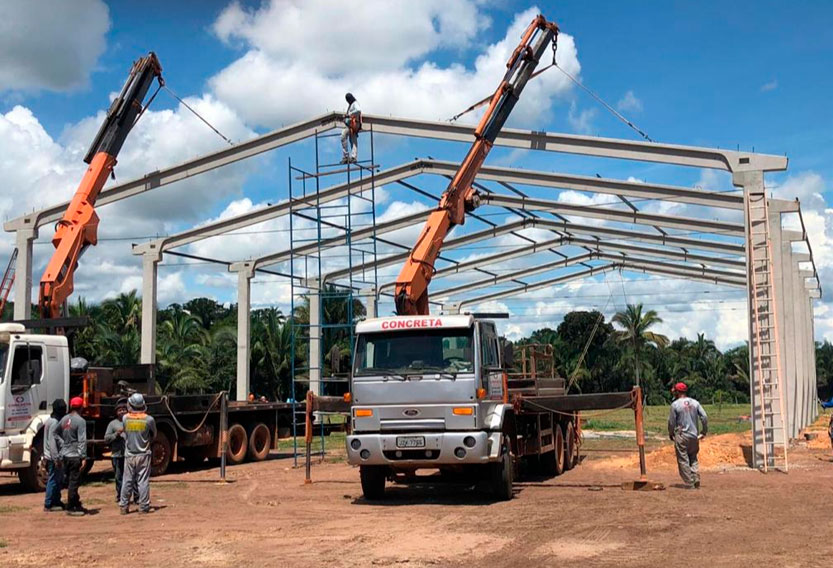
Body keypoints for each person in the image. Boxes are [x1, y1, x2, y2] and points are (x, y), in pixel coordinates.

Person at [119, 393, 157, 515]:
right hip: (144, 454)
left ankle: (124, 506)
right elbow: (154, 435)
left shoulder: (125, 418)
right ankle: (143, 506)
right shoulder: (149, 419)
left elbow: (125, 432)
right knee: (143, 481)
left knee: (127, 480)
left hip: (129, 454)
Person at [667, 382, 708, 489]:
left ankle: (690, 482)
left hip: (682, 435)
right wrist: (704, 431)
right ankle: (695, 477)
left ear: (677, 392)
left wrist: (671, 433)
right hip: (694, 436)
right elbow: (704, 416)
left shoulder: (675, 405)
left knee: (683, 459)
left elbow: (671, 422)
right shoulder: (695, 403)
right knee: (693, 457)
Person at [59, 397, 88, 516]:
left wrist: (62, 445)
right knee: (74, 482)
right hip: (75, 455)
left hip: (65, 455)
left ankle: (76, 502)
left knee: (70, 480)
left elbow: (56, 433)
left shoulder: (64, 419)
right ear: (81, 407)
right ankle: (71, 507)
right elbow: (82, 440)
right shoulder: (81, 421)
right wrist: (83, 456)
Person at [43, 398, 67, 512]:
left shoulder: (50, 420)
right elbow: (53, 443)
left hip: (51, 456)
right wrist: (56, 458)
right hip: (53, 457)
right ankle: (48, 503)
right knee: (53, 480)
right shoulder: (55, 423)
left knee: (58, 480)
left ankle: (56, 500)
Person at [104, 402, 128, 503]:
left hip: (129, 454)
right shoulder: (112, 424)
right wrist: (116, 434)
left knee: (131, 477)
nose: (122, 412)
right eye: (120, 410)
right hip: (117, 454)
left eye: (124, 410)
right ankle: (120, 496)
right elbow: (106, 439)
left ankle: (135, 497)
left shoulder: (130, 422)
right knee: (119, 477)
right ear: (116, 412)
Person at [340, 92, 361, 164]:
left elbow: (358, 110)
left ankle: (347, 156)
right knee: (353, 140)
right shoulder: (351, 105)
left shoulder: (355, 103)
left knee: (343, 135)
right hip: (351, 124)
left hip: (353, 124)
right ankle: (353, 157)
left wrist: (349, 115)